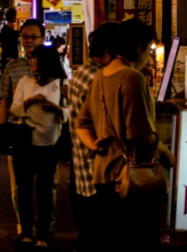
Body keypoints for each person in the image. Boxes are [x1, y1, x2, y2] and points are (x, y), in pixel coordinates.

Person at [77, 18, 175, 252]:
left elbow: (82, 123)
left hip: (104, 174)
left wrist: (95, 145)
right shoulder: (132, 76)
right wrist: (165, 153)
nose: (149, 57)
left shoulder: (101, 75)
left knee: (114, 241)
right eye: (149, 49)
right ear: (139, 47)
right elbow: (140, 134)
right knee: (139, 241)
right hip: (132, 179)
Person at [68, 22, 120, 252]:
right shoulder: (98, 77)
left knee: (89, 235)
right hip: (98, 173)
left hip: (83, 172)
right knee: (100, 237)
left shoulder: (82, 73)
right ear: (109, 51)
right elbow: (110, 125)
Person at [10, 45, 68, 248]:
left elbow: (68, 113)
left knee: (44, 190)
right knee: (24, 188)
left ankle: (43, 233)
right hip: (24, 143)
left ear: (45, 62)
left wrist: (56, 108)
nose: (31, 62)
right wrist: (30, 101)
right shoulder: (25, 82)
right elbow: (14, 110)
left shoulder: (61, 84)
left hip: (48, 144)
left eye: (34, 58)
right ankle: (26, 232)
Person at [0, 18, 47, 238]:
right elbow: (5, 100)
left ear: (43, 38)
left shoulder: (52, 66)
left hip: (46, 132)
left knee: (47, 184)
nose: (29, 41)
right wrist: (1, 130)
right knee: (19, 184)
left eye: (34, 37)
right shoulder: (13, 66)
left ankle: (47, 227)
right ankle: (23, 227)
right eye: (25, 36)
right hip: (18, 131)